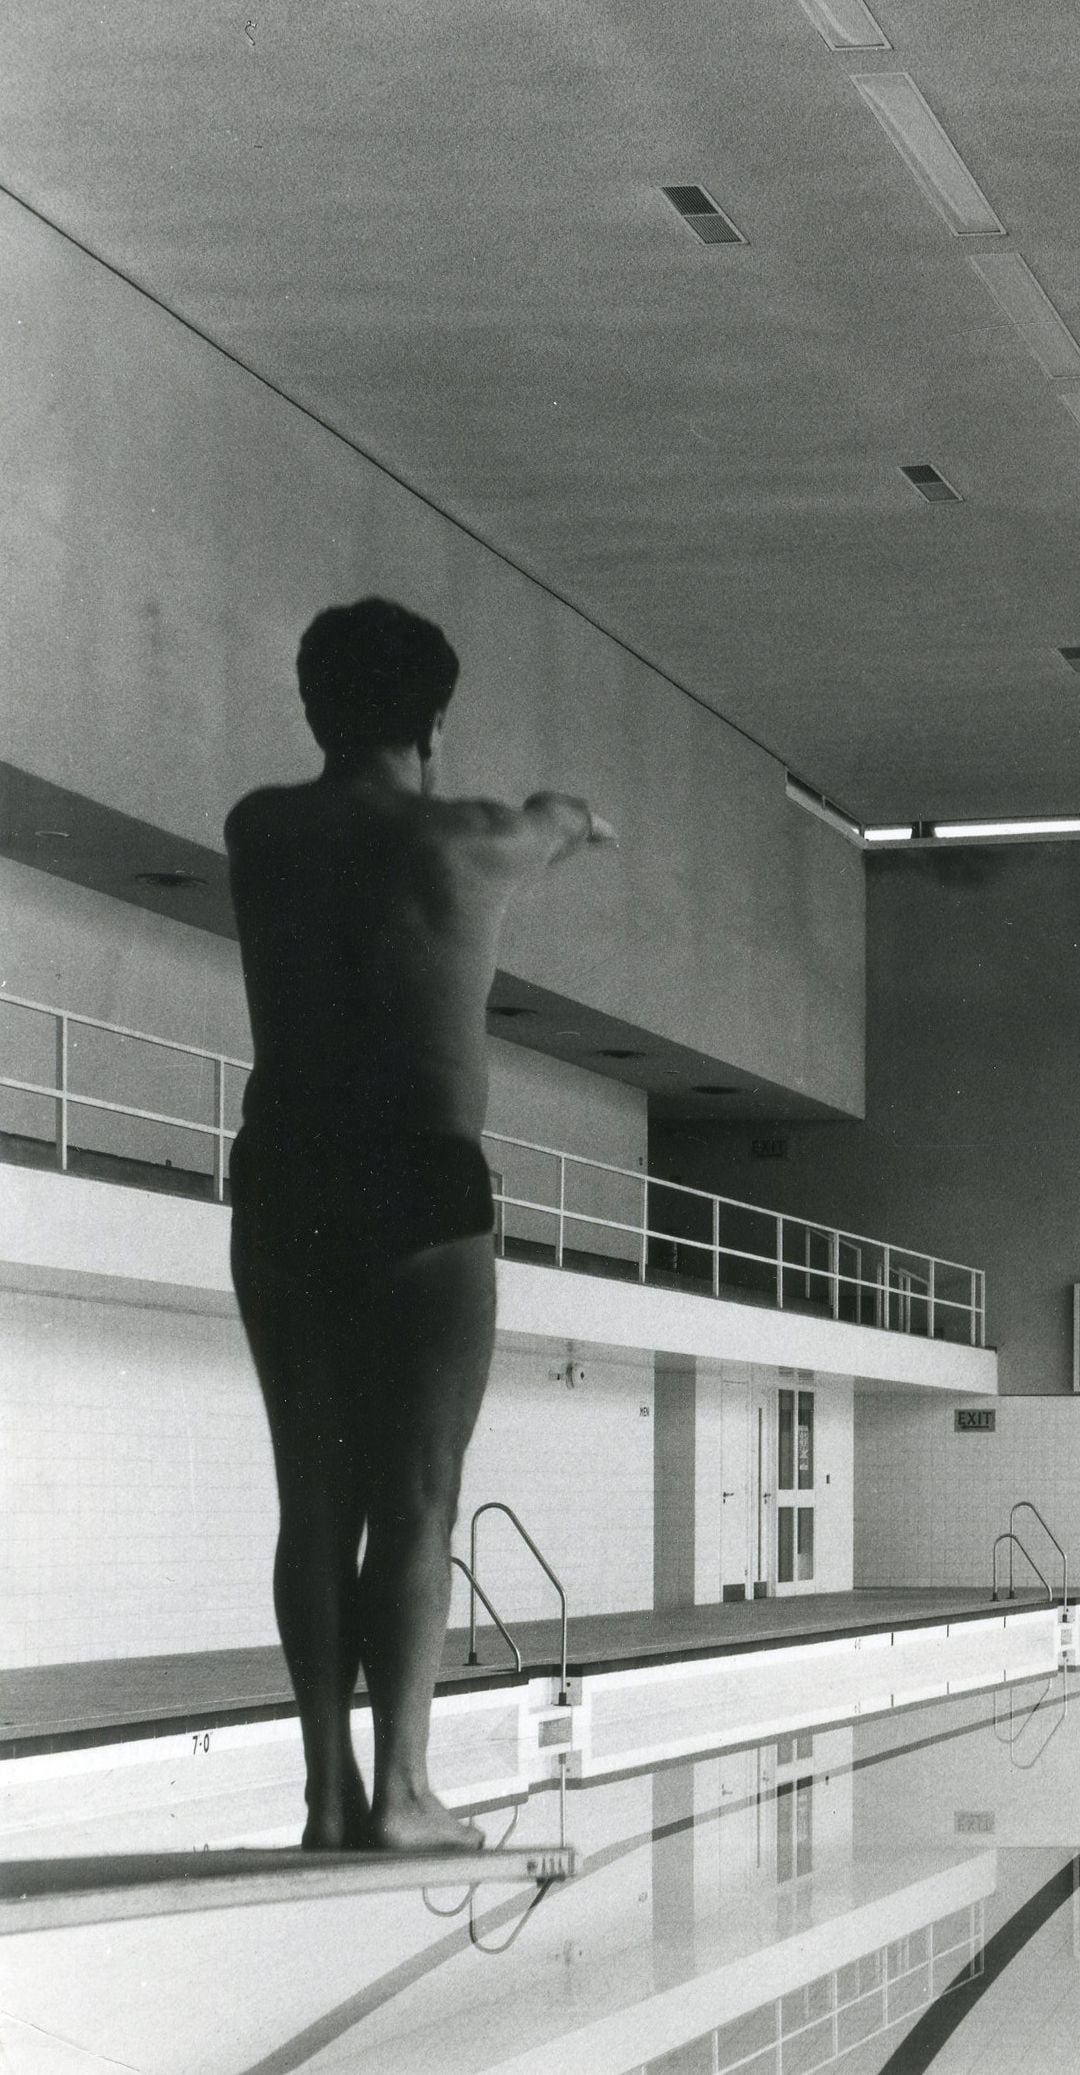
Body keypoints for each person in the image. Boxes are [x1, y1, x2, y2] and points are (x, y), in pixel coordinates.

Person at [225, 598, 616, 1852]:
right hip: (422, 1181)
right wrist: (575, 817)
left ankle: (326, 1794)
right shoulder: (474, 841)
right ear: (437, 719)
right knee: (419, 1501)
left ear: (312, 707)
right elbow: (554, 822)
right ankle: (401, 1793)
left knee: (311, 1501)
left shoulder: (261, 831)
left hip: (285, 1172)